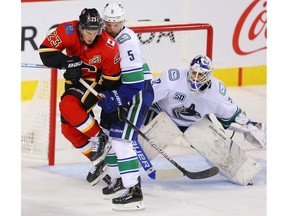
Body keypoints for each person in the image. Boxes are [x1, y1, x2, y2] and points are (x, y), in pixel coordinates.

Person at [39, 8, 122, 185]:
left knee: (68, 106)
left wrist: (108, 100)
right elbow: (45, 52)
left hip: (95, 84)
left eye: (95, 31)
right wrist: (66, 63)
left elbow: (112, 81)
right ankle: (99, 161)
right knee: (68, 130)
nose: (91, 36)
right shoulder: (68, 30)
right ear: (80, 27)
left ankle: (100, 137)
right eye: (87, 31)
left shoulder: (109, 46)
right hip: (75, 84)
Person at [93, 2, 154, 211]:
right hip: (120, 91)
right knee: (108, 136)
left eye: (116, 23)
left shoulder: (126, 41)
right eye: (108, 23)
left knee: (121, 140)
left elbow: (135, 83)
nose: (112, 27)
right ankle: (119, 180)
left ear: (123, 21)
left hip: (135, 94)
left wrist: (118, 100)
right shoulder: (102, 35)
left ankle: (134, 192)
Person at [145, 54, 266, 150]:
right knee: (141, 146)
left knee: (220, 150)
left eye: (201, 75)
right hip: (161, 117)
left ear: (208, 75)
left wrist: (249, 126)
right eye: (194, 73)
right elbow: (147, 95)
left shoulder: (215, 93)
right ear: (189, 70)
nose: (196, 78)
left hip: (193, 125)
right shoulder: (173, 79)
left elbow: (231, 114)